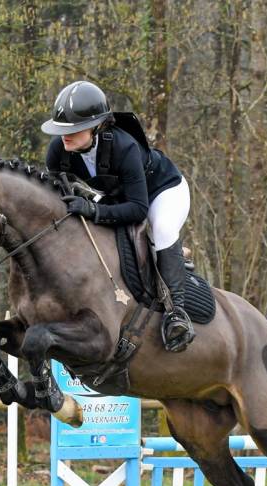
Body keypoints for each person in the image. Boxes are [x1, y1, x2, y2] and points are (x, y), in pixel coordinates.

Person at [41, 80, 195, 352]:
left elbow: (138, 209)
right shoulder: (58, 151)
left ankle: (176, 314)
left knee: (161, 229)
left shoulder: (124, 147)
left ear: (96, 126)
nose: (65, 136)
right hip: (117, 194)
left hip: (162, 191)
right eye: (62, 129)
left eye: (74, 130)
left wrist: (93, 209)